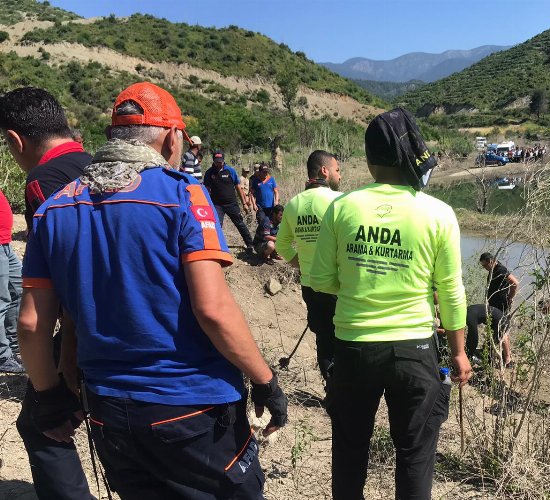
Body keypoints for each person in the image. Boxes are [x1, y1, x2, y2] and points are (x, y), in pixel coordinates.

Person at [18, 81, 288, 499]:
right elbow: (213, 309)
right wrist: (266, 381)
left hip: (108, 409)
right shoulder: (183, 195)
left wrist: (49, 395)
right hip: (191, 405)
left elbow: (34, 322)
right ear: (170, 137)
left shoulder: (54, 209)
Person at [310, 108, 471, 499]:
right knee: (415, 452)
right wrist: (459, 353)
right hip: (414, 351)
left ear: (368, 161)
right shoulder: (438, 214)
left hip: (352, 350)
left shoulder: (342, 207)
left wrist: (363, 278)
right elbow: (450, 291)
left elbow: (321, 281)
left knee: (349, 449)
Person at [0, 86, 94, 499]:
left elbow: (54, 288)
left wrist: (62, 367)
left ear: (14, 140)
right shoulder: (97, 165)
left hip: (86, 328)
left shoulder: (43, 183)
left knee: (43, 421)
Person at [276, 150, 341, 381]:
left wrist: (302, 264)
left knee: (323, 338)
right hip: (337, 287)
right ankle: (345, 394)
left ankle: (330, 389)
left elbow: (282, 245)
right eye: (337, 170)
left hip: (310, 286)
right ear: (324, 171)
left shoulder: (294, 204)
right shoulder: (339, 201)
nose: (339, 176)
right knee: (345, 338)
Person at [203, 150, 254, 248]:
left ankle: (250, 244)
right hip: (217, 205)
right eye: (217, 161)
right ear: (213, 160)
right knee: (216, 225)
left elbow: (238, 187)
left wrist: (244, 203)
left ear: (223, 160)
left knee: (240, 223)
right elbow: (207, 190)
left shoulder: (230, 171)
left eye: (221, 161)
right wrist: (207, 205)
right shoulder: (209, 173)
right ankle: (216, 246)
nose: (219, 163)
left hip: (231, 203)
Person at [0, 188, 23, 374]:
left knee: (18, 289)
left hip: (5, 243)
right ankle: (2, 356)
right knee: (1, 300)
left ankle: (16, 347)